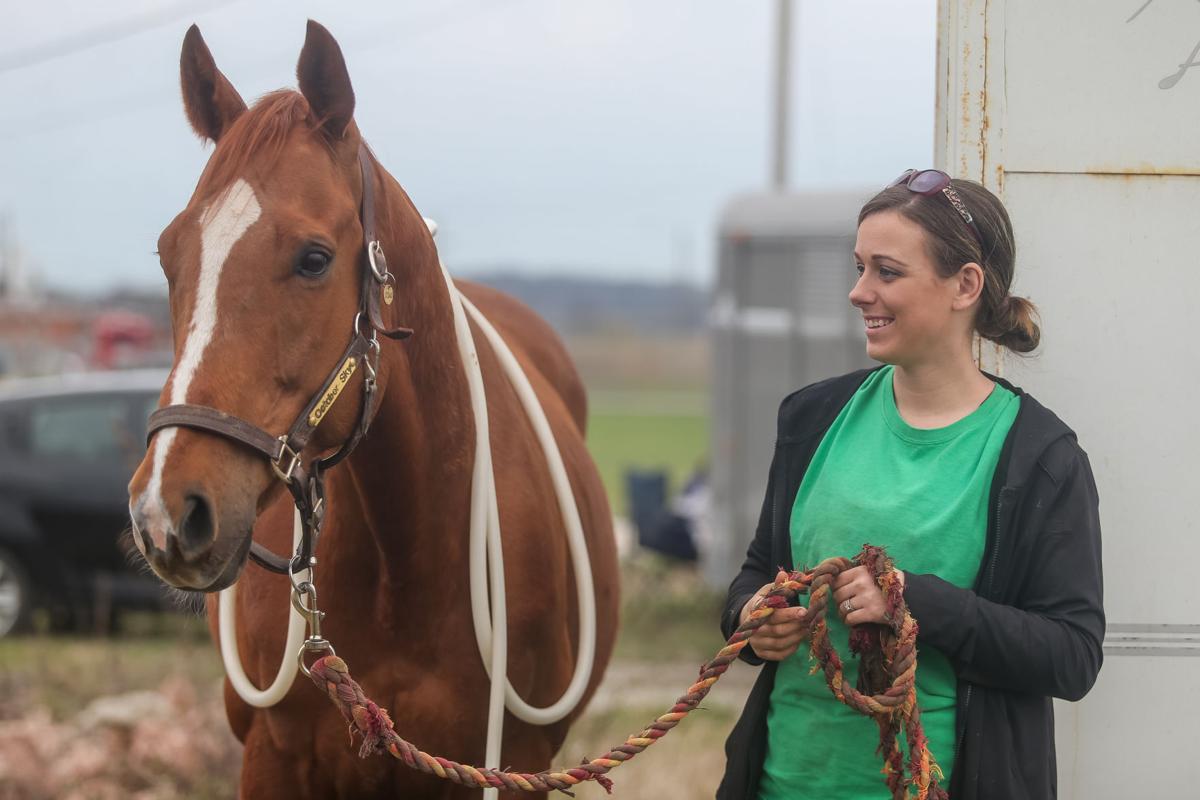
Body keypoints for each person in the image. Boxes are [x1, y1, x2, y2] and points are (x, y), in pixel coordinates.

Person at [716, 170, 1104, 800]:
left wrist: (910, 599)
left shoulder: (1041, 456)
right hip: (781, 783)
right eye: (859, 267)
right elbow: (759, 568)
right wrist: (753, 617)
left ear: (966, 285)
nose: (858, 291)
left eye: (887, 272)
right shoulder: (811, 418)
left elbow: (1071, 655)